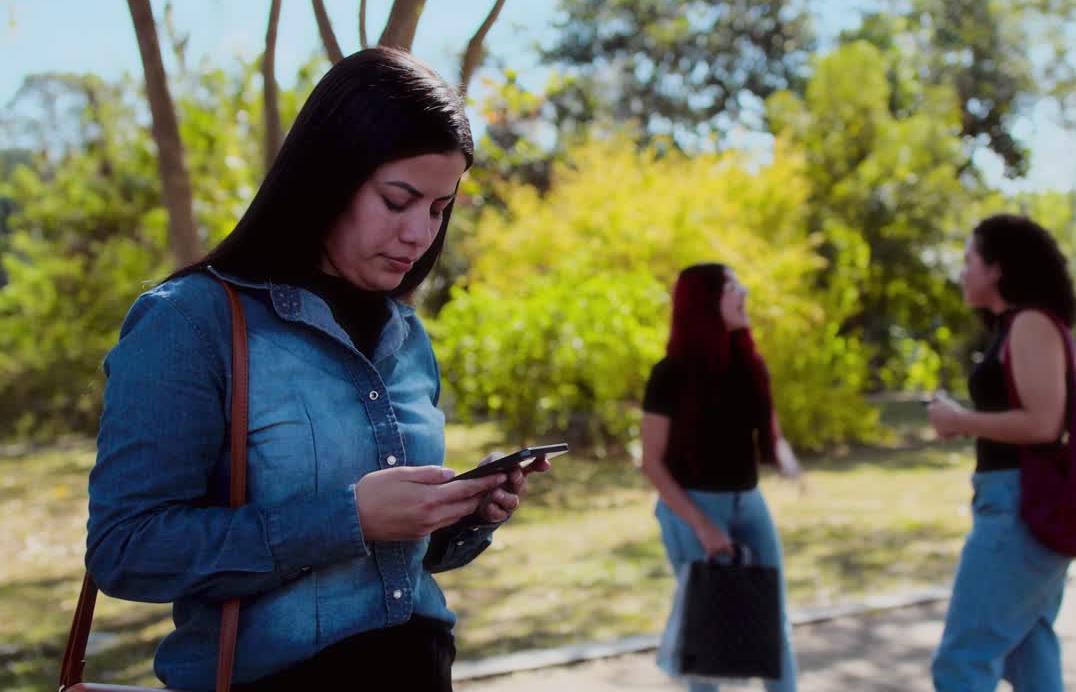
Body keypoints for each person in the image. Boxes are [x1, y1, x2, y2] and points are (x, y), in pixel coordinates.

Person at [85, 47, 547, 692]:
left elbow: (394, 568)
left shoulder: (406, 332)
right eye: (398, 200)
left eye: (439, 209)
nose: (419, 234)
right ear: (329, 178)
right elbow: (126, 550)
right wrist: (347, 520)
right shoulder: (190, 322)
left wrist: (465, 513)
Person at [925, 213, 1076, 691]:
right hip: (1015, 501)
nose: (962, 272)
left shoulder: (1030, 323)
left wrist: (960, 420)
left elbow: (1044, 422)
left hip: (1017, 508)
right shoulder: (1013, 325)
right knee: (1029, 656)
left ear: (997, 269)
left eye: (970, 260)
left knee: (961, 663)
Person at [640, 263, 803, 692]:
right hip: (690, 509)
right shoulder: (670, 374)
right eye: (732, 286)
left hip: (749, 503)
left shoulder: (751, 366)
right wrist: (702, 525)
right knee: (706, 633)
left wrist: (787, 462)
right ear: (705, 301)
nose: (743, 292)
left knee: (774, 621)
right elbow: (651, 463)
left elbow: (773, 437)